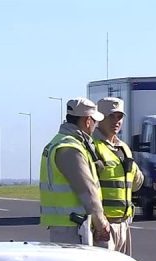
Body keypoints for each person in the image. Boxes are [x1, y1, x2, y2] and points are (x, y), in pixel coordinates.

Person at [39, 98, 110, 246]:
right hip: (74, 226)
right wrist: (101, 222)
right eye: (95, 121)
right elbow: (87, 190)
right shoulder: (71, 148)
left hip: (65, 224)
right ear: (87, 121)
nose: (96, 126)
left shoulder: (58, 141)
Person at [93, 97, 144, 255]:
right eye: (111, 117)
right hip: (102, 226)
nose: (116, 121)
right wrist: (99, 222)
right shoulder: (92, 146)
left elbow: (137, 183)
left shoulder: (123, 148)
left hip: (123, 224)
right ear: (100, 118)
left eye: (119, 117)